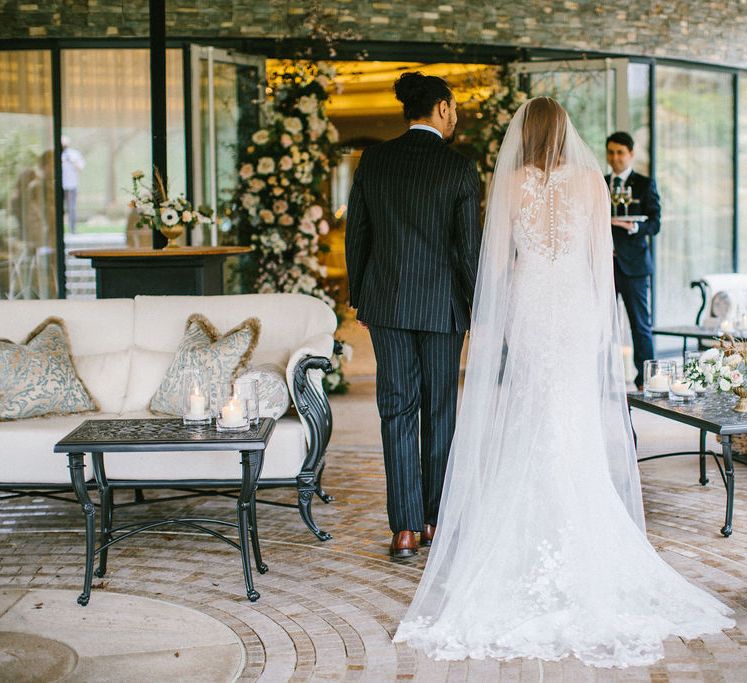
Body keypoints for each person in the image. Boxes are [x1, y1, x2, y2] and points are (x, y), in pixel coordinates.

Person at [394, 98, 733, 667]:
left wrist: (493, 319)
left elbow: (496, 262)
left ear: (525, 134)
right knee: (569, 412)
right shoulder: (591, 184)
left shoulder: (513, 184)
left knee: (532, 408)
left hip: (530, 304)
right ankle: (581, 517)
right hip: (574, 307)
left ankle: (526, 524)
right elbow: (603, 264)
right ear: (567, 133)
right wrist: (603, 329)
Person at [345, 72, 481, 559]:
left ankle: (402, 528)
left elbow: (357, 233)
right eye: (455, 108)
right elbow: (468, 251)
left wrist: (361, 295)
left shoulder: (374, 160)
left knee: (396, 408)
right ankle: (433, 521)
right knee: (440, 409)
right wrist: (477, 307)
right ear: (442, 108)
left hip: (387, 303)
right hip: (442, 309)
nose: (456, 115)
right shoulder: (460, 169)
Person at [605, 131, 661, 389]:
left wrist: (635, 227)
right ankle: (601, 376)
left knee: (640, 325)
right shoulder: (600, 183)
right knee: (600, 324)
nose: (615, 158)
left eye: (620, 153)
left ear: (631, 154)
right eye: (611, 152)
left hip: (635, 266)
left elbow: (655, 222)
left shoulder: (644, 184)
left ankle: (646, 380)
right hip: (604, 266)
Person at [61, 135, 85, 233]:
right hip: (59, 186)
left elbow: (81, 167)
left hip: (71, 185)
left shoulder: (74, 154)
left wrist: (72, 161)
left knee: (71, 208)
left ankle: (72, 229)